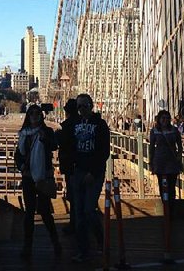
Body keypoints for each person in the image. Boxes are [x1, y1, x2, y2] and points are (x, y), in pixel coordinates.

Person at [14, 104, 61, 258]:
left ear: (41, 116)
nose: (35, 116)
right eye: (32, 113)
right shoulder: (23, 134)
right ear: (28, 116)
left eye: (37, 113)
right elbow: (18, 155)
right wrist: (21, 167)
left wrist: (45, 138)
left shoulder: (46, 131)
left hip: (43, 176)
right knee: (29, 213)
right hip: (28, 177)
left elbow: (54, 146)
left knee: (45, 212)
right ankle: (27, 247)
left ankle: (56, 244)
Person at [69, 93, 110, 263]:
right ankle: (83, 250)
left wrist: (92, 173)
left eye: (84, 106)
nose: (81, 109)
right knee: (79, 213)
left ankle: (101, 241)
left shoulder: (100, 125)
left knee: (88, 210)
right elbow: (69, 146)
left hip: (95, 172)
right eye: (78, 107)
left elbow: (103, 151)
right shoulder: (75, 123)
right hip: (78, 172)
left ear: (91, 106)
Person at [149, 110, 183, 202]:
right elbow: (151, 147)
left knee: (171, 186)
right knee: (162, 186)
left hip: (172, 161)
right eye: (163, 118)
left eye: (167, 118)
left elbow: (180, 145)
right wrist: (151, 162)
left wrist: (179, 157)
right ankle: (165, 206)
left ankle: (171, 208)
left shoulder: (174, 130)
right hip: (160, 161)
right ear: (159, 119)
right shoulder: (154, 131)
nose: (165, 120)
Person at [56, 98, 79, 236]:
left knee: (73, 195)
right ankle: (78, 223)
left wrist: (58, 135)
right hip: (80, 165)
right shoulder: (81, 124)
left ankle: (75, 224)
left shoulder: (67, 126)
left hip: (70, 165)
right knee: (79, 195)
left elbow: (62, 143)